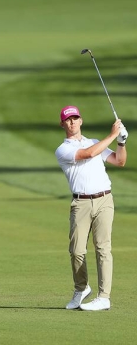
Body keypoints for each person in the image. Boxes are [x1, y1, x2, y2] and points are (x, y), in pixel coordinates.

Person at [55, 105, 128, 311]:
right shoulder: (63, 149)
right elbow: (87, 154)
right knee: (77, 250)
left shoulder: (95, 142)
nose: (72, 122)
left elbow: (119, 161)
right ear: (63, 124)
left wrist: (122, 142)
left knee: (103, 248)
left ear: (81, 121)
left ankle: (104, 297)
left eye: (75, 118)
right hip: (81, 203)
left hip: (105, 199)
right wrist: (113, 134)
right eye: (68, 119)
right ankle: (81, 288)